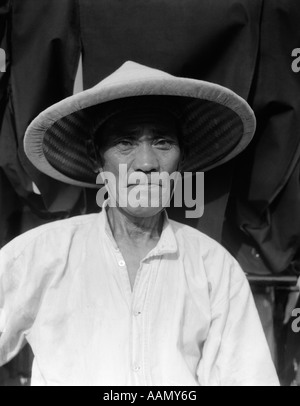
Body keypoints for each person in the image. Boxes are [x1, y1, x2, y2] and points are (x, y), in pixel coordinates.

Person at [0, 61, 279, 386]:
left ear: (181, 160)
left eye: (162, 143)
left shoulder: (213, 268)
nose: (147, 163)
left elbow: (247, 378)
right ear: (97, 160)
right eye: (125, 143)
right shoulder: (41, 255)